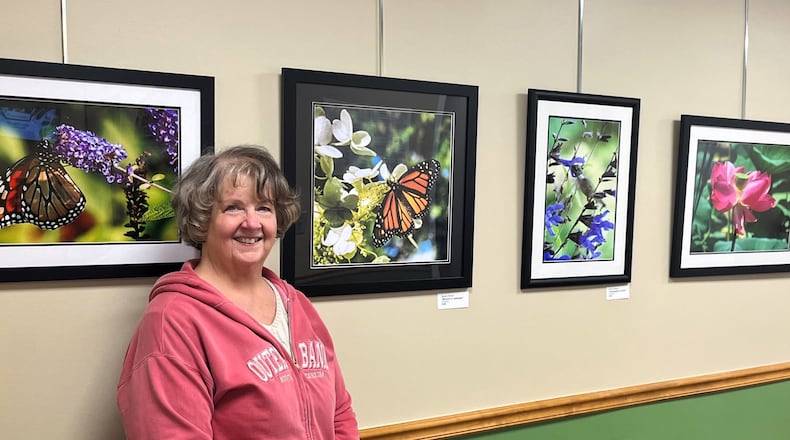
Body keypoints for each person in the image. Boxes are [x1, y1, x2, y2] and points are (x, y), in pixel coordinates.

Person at [117, 145, 359, 439]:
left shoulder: (296, 304)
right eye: (233, 207)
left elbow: (340, 413)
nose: (252, 223)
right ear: (202, 219)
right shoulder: (172, 321)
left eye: (264, 208)